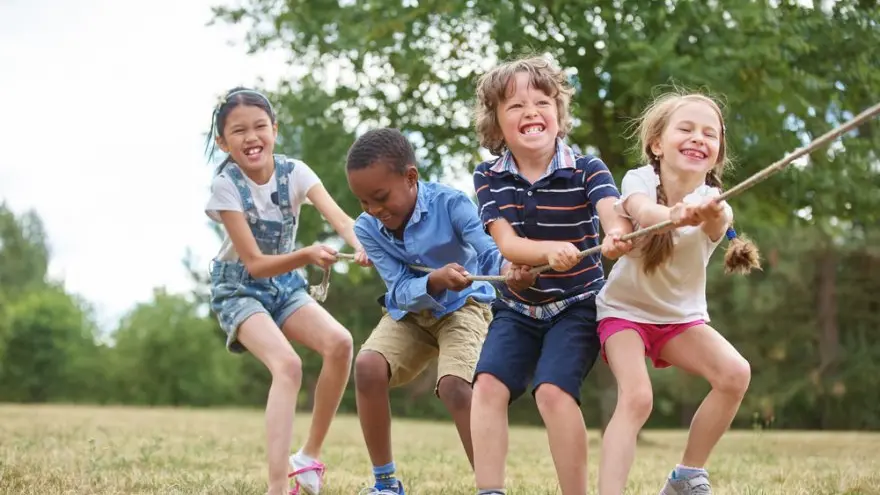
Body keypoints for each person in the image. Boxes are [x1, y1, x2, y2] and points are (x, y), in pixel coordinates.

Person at [469, 55, 634, 495]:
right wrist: (549, 251)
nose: (531, 112)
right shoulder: (488, 176)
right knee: (487, 386)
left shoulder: (588, 169)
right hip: (518, 308)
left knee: (552, 393)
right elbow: (507, 243)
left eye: (542, 102)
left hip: (578, 305)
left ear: (559, 114)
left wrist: (616, 234)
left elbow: (611, 212)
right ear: (496, 124)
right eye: (516, 106)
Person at [345, 127, 536, 495]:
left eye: (381, 198)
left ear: (410, 177)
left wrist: (510, 271)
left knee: (455, 386)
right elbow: (399, 289)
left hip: (464, 307)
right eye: (364, 201)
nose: (374, 210)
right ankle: (385, 484)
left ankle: (490, 489)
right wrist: (433, 280)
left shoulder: (452, 204)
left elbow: (488, 251)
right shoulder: (367, 228)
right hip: (411, 313)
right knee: (367, 367)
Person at [204, 87, 370, 495]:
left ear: (274, 130)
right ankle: (277, 488)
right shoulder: (225, 187)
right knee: (288, 366)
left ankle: (308, 458)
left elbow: (342, 220)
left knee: (340, 344)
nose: (251, 137)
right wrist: (308, 254)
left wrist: (363, 245)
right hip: (239, 288)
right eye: (238, 131)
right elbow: (256, 263)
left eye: (260, 126)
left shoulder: (296, 172)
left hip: (284, 286)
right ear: (223, 142)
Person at [594, 91, 761, 495]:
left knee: (735, 374)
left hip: (679, 320)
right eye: (685, 129)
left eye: (710, 134)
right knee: (637, 398)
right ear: (657, 144)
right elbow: (641, 211)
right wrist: (673, 215)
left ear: (717, 154)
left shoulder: (715, 202)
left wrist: (706, 213)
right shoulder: (639, 180)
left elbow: (716, 223)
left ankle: (686, 476)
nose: (698, 138)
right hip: (623, 313)